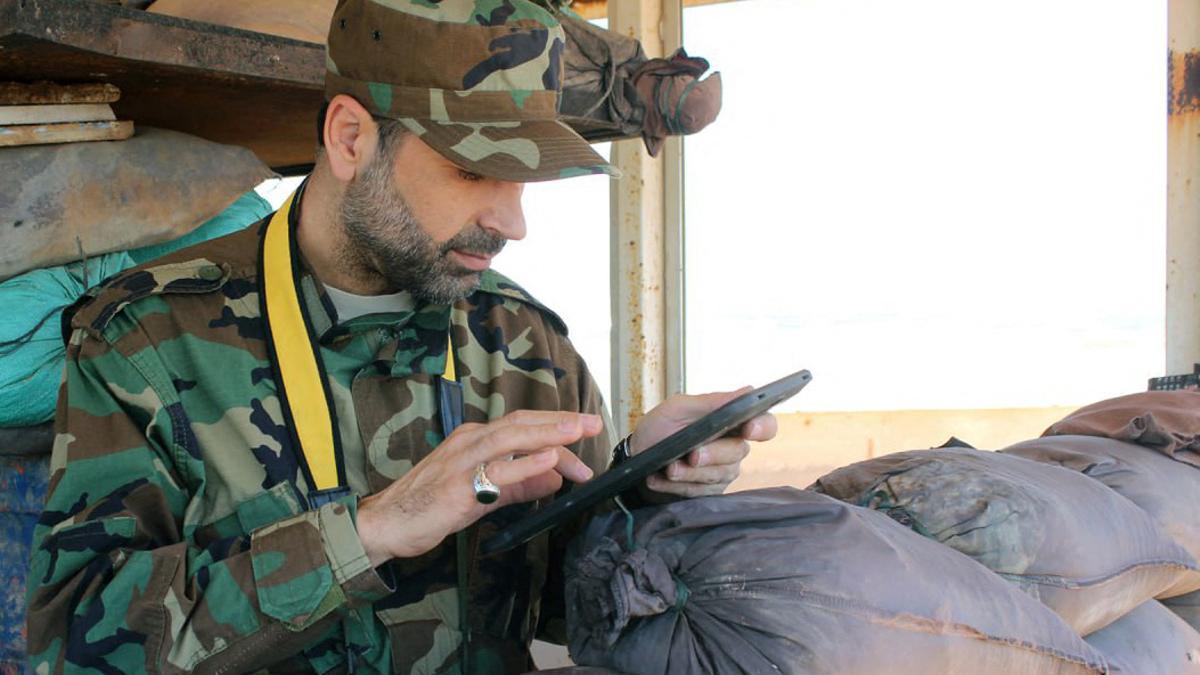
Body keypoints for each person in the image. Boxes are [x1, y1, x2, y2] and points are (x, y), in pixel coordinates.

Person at [25, 1, 776, 672]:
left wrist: (639, 479)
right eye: (473, 170)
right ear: (351, 138)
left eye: (526, 179)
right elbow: (77, 646)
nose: (513, 222)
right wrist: (373, 530)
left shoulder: (526, 341)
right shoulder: (146, 339)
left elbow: (565, 603)